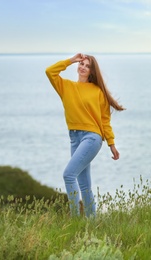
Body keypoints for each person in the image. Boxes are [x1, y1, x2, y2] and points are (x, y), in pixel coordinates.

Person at [45, 53, 124, 217]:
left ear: (91, 72)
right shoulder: (66, 86)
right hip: (74, 138)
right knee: (84, 185)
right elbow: (50, 71)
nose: (83, 67)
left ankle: (74, 220)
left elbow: (104, 120)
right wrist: (70, 60)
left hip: (92, 137)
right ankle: (92, 223)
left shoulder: (97, 92)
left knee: (68, 175)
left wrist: (112, 144)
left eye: (87, 66)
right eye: (81, 64)